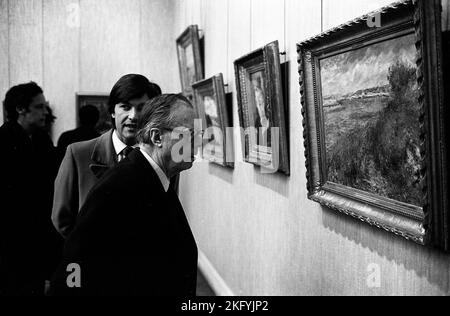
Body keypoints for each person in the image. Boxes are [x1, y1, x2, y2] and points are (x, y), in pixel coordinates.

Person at [50, 94, 200, 296]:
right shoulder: (120, 186)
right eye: (189, 134)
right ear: (156, 137)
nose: (197, 144)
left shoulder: (158, 177)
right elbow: (75, 266)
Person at [51, 74, 161, 238]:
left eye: (141, 108)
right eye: (125, 107)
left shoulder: (160, 158)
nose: (133, 116)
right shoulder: (78, 154)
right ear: (113, 111)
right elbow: (62, 219)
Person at [0, 82, 60, 295]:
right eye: (39, 107)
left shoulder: (42, 140)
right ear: (20, 109)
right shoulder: (3, 141)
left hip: (38, 239)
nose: (45, 112)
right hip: (13, 242)